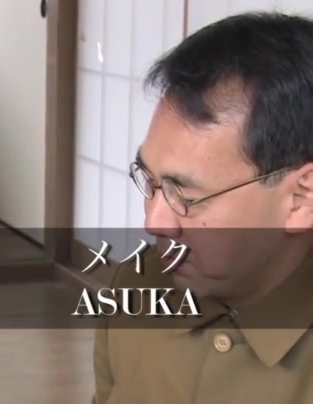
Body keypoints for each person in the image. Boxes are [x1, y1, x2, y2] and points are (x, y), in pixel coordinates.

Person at [92, 11, 313, 403]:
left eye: (187, 197)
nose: (153, 221)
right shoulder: (137, 288)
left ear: (301, 198)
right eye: (150, 181)